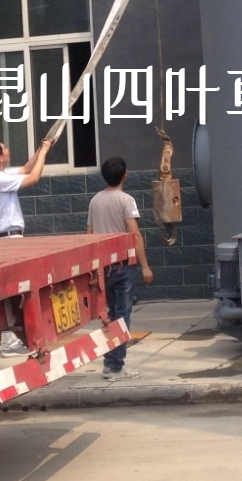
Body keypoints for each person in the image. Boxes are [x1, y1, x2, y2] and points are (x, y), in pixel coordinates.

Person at [0, 134, 53, 356]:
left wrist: (41, 149)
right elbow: (33, 178)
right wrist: (44, 153)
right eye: (5, 148)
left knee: (15, 290)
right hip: (9, 239)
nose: (8, 150)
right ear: (0, 157)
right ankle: (10, 344)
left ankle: (14, 340)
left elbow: (25, 169)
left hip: (11, 238)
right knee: (13, 290)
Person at [86, 156, 154, 381]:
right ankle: (116, 367)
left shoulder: (95, 201)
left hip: (103, 267)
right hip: (123, 266)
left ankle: (109, 363)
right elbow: (135, 235)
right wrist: (145, 266)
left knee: (110, 316)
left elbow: (89, 235)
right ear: (125, 175)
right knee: (122, 317)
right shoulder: (127, 201)